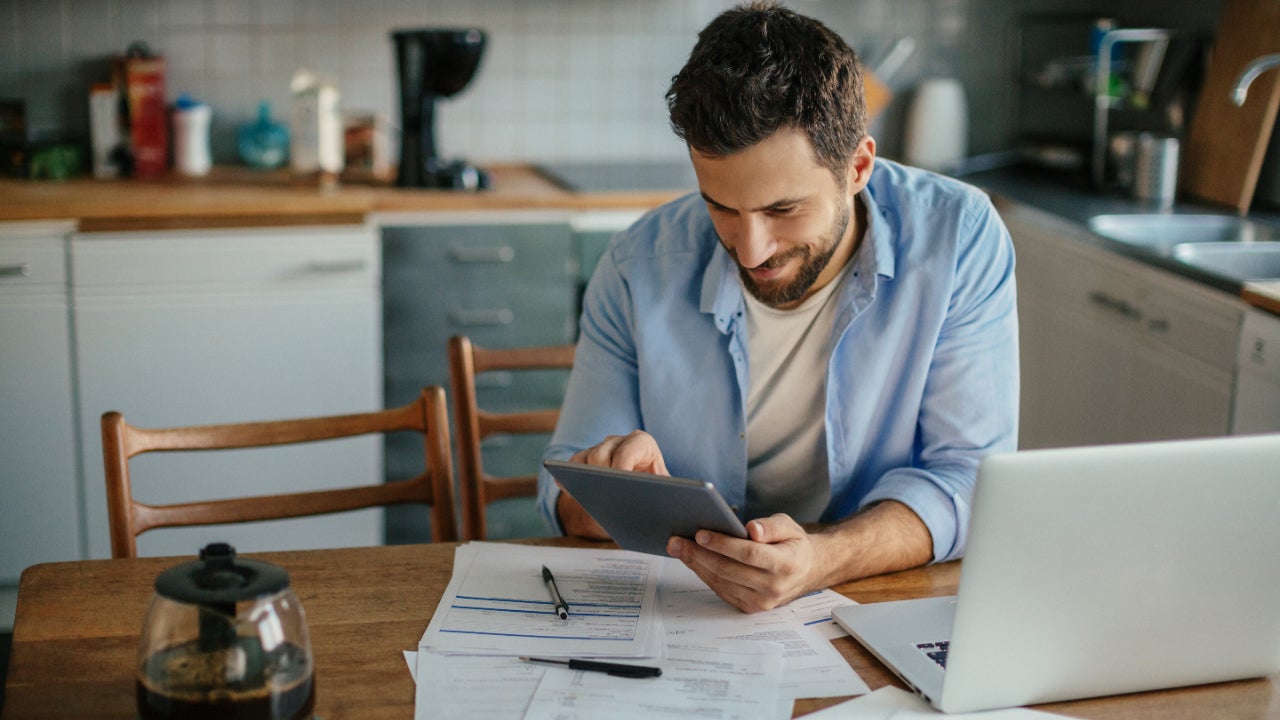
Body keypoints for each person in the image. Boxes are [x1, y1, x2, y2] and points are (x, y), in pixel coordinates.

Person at [537, 1, 1019, 613]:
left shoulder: (958, 238)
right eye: (721, 207)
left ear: (859, 167)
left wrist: (823, 559)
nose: (750, 249)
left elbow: (974, 483)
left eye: (782, 210)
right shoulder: (637, 266)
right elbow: (561, 497)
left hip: (872, 599)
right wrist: (614, 487)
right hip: (687, 611)